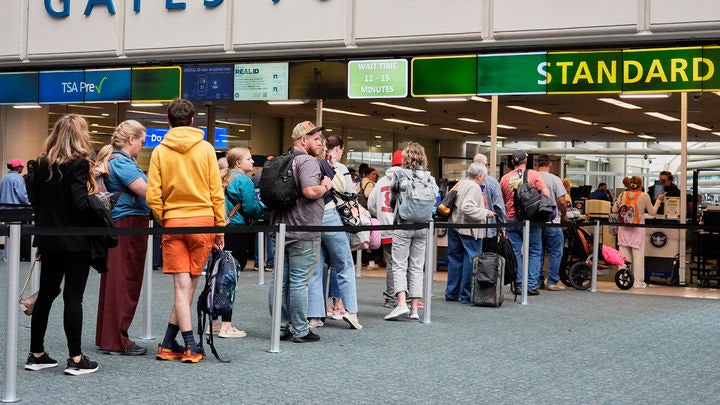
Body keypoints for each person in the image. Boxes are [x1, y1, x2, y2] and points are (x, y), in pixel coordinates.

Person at [147, 99, 226, 363]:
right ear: (193, 120)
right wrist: (220, 229)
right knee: (187, 286)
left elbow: (152, 196)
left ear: (168, 122)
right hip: (202, 221)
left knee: (183, 287)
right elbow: (217, 193)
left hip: (173, 222)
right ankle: (191, 345)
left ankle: (170, 343)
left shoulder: (159, 151)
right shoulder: (206, 149)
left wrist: (165, 217)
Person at [26, 114, 100, 375]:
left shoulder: (43, 163)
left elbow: (37, 203)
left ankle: (36, 354)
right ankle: (76, 359)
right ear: (81, 135)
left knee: (46, 295)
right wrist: (98, 203)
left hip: (49, 238)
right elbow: (80, 203)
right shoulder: (78, 164)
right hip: (75, 241)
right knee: (72, 297)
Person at [271, 120, 333, 343]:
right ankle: (300, 329)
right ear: (302, 140)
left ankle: (280, 326)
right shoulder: (306, 161)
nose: (321, 144)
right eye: (316, 139)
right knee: (299, 281)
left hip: (282, 228)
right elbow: (309, 190)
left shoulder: (284, 159)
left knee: (280, 281)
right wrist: (326, 185)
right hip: (304, 230)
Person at [95, 120, 151, 356]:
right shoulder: (123, 164)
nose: (142, 146)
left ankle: (110, 337)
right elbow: (148, 191)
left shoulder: (115, 162)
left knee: (118, 280)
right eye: (141, 141)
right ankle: (117, 339)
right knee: (125, 280)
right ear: (131, 140)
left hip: (125, 223)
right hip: (128, 224)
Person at [307, 135, 362, 330]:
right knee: (344, 264)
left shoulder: (304, 163)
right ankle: (351, 311)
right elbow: (347, 191)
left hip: (310, 217)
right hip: (330, 214)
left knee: (316, 266)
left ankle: (315, 315)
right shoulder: (333, 166)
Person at [212, 146, 263, 338]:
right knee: (230, 276)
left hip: (221, 229)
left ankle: (215, 321)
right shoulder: (244, 180)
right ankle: (227, 325)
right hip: (238, 230)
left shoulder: (223, 178)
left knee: (217, 275)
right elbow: (251, 207)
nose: (252, 162)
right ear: (239, 163)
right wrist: (260, 209)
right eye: (249, 159)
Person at [385, 143, 438, 320]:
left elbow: (392, 200)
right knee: (417, 266)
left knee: (399, 264)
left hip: (403, 223)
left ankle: (401, 303)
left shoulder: (399, 174)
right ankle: (415, 309)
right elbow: (434, 203)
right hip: (423, 226)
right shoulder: (430, 178)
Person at [499, 150, 550, 296]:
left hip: (511, 219)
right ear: (525, 161)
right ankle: (531, 285)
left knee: (515, 252)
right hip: (531, 218)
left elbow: (502, 200)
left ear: (512, 162)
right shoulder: (533, 175)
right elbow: (546, 193)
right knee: (534, 251)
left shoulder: (504, 179)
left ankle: (519, 285)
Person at [444, 163, 495, 303]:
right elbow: (467, 207)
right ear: (479, 176)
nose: (485, 178)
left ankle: (452, 292)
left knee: (455, 259)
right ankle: (466, 294)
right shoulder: (474, 187)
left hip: (455, 225)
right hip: (469, 229)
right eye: (484, 175)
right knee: (471, 260)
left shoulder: (462, 183)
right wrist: (485, 212)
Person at [612, 176, 662, 288]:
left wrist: (618, 202)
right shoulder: (644, 196)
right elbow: (652, 212)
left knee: (624, 257)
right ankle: (637, 282)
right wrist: (659, 200)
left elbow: (614, 210)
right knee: (638, 256)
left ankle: (623, 280)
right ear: (640, 184)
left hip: (623, 229)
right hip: (637, 229)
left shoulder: (622, 195)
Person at [368, 150, 403, 308]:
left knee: (390, 264)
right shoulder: (406, 179)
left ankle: (390, 298)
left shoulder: (381, 181)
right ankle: (405, 298)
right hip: (403, 228)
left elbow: (371, 206)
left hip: (386, 228)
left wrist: (381, 216)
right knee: (405, 265)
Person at [535, 154, 568, 291]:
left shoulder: (532, 178)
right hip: (552, 221)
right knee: (556, 251)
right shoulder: (555, 179)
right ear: (550, 165)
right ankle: (552, 281)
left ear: (537, 165)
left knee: (537, 252)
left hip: (535, 222)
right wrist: (564, 214)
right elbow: (561, 201)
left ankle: (537, 281)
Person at [473, 153, 507, 252]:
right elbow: (499, 207)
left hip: (472, 229)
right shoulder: (493, 182)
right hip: (489, 230)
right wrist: (503, 227)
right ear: (486, 165)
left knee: (473, 257)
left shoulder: (466, 181)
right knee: (488, 260)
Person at [1, 158, 31, 262]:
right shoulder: (18, 179)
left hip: (4, 210)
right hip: (15, 211)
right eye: (21, 167)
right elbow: (22, 195)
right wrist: (28, 204)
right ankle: (11, 256)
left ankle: (6, 255)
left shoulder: (4, 177)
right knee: (14, 234)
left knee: (8, 234)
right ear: (17, 167)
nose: (22, 168)